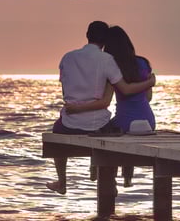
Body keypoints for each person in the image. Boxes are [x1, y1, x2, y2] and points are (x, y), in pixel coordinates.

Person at [47, 21, 156, 195]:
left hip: (70, 124)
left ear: (87, 35)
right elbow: (125, 92)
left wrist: (76, 108)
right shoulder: (110, 61)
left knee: (56, 131)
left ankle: (62, 181)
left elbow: (66, 91)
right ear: (104, 40)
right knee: (113, 133)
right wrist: (150, 82)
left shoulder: (67, 57)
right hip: (102, 125)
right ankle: (111, 179)